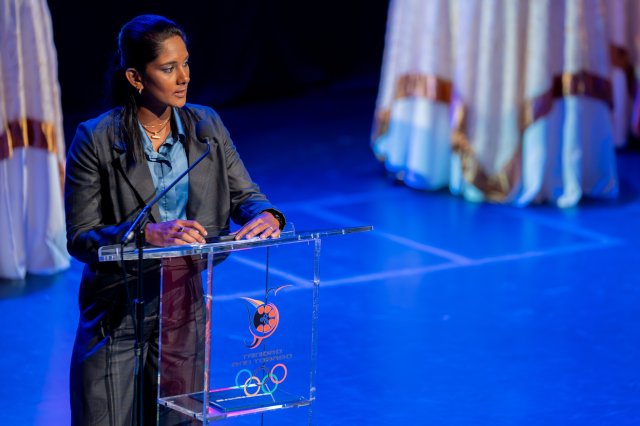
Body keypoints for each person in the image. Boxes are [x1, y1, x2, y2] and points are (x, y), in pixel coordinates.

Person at [64, 14, 285, 425]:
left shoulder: (206, 126)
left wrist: (269, 216)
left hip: (183, 304)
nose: (184, 77)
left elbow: (246, 196)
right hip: (117, 311)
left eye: (185, 64)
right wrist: (146, 235)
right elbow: (80, 238)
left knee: (180, 419)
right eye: (168, 68)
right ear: (135, 77)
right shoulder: (96, 138)